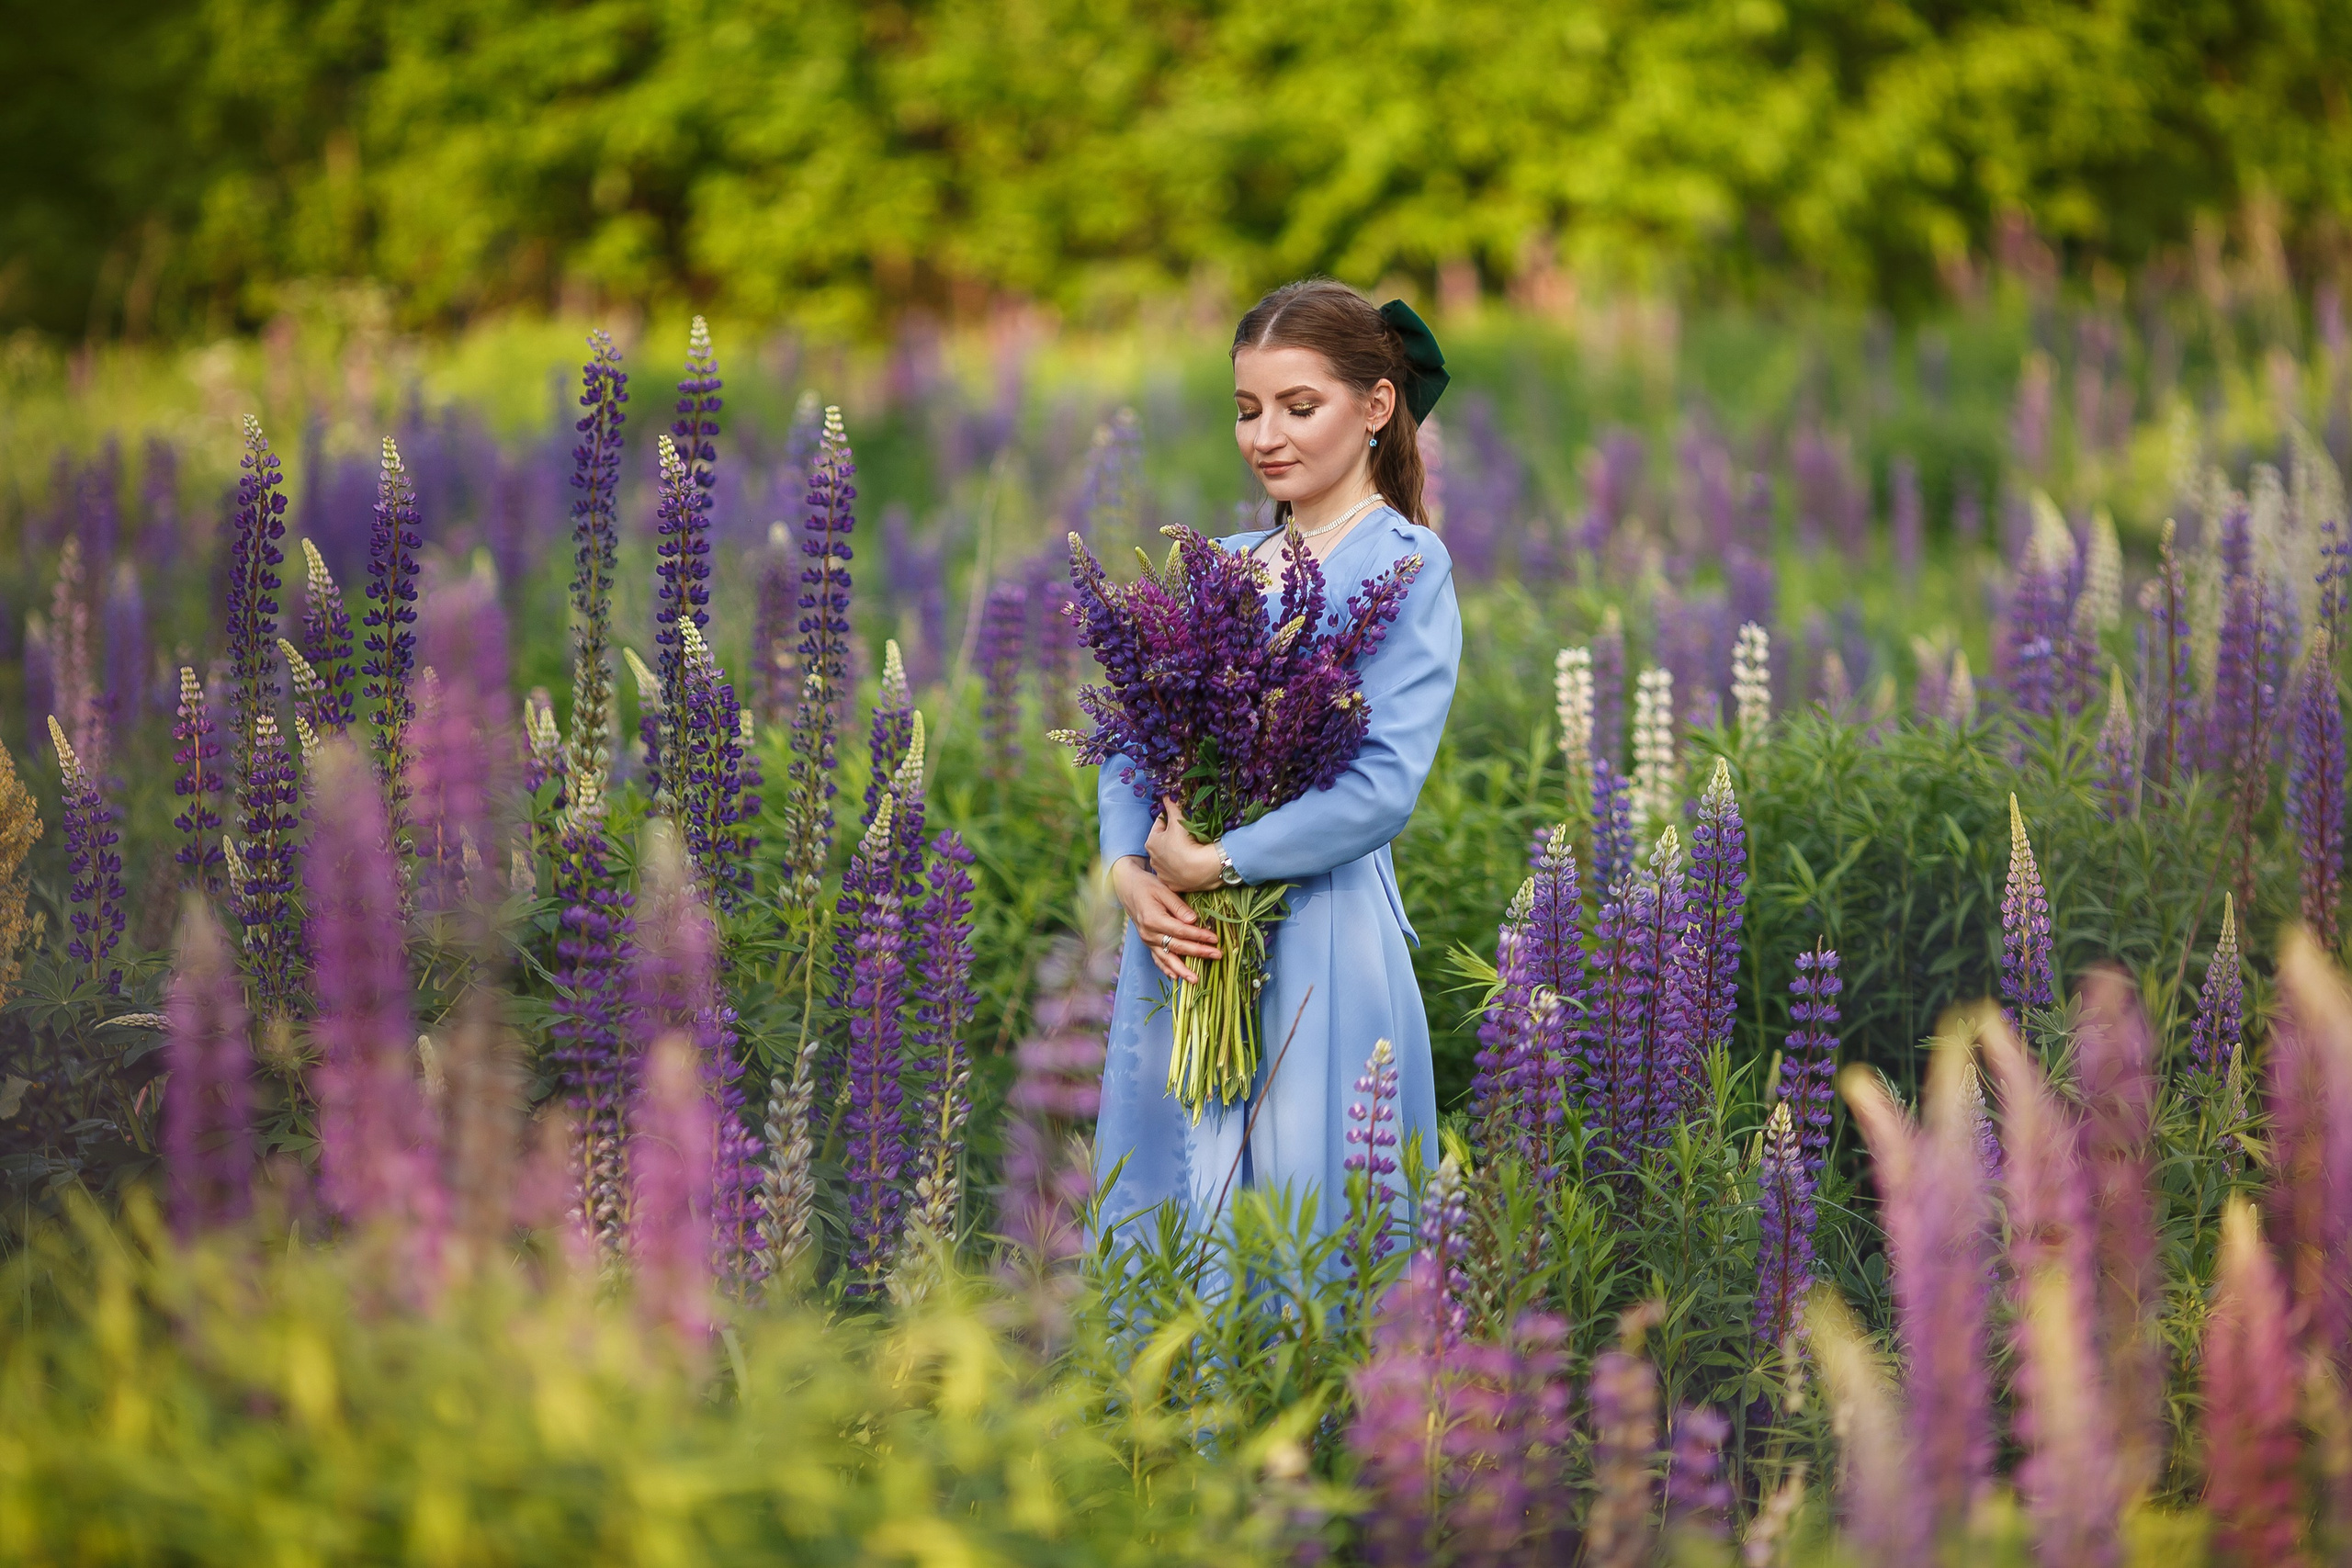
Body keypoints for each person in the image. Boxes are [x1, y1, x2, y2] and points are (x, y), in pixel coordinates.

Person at [1093, 278, 1462, 1245]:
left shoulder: (1407, 565)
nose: (1267, 436)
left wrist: (1222, 860)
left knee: (1302, 1216)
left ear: (1375, 406)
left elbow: (1380, 784)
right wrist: (1128, 867)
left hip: (1315, 927)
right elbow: (1138, 730)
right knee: (1170, 1201)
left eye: (1300, 408)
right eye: (1248, 411)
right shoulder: (1218, 560)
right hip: (1179, 933)